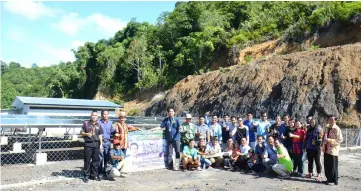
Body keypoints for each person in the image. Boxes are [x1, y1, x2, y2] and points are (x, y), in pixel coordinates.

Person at [80, 110, 103, 183]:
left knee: (95, 160)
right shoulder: (86, 123)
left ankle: (94, 175)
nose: (94, 117)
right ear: (91, 116)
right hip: (88, 144)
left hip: (96, 144)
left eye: (95, 115)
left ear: (97, 117)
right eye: (93, 115)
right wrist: (87, 134)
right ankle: (86, 175)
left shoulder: (99, 125)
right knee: (87, 160)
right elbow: (81, 132)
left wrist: (101, 144)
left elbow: (100, 135)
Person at [322, 115, 343, 185]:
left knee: (333, 166)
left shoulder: (337, 128)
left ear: (335, 120)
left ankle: (335, 180)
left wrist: (329, 140)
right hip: (326, 149)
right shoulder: (327, 127)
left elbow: (340, 139)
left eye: (332, 119)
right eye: (329, 119)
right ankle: (328, 179)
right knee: (327, 165)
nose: (331, 121)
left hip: (333, 150)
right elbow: (323, 135)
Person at [98, 109, 115, 179]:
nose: (105, 115)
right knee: (100, 158)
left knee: (107, 158)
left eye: (107, 114)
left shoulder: (110, 123)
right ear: (102, 115)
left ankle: (105, 172)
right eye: (104, 114)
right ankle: (100, 173)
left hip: (108, 143)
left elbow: (112, 132)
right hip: (101, 143)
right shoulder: (98, 122)